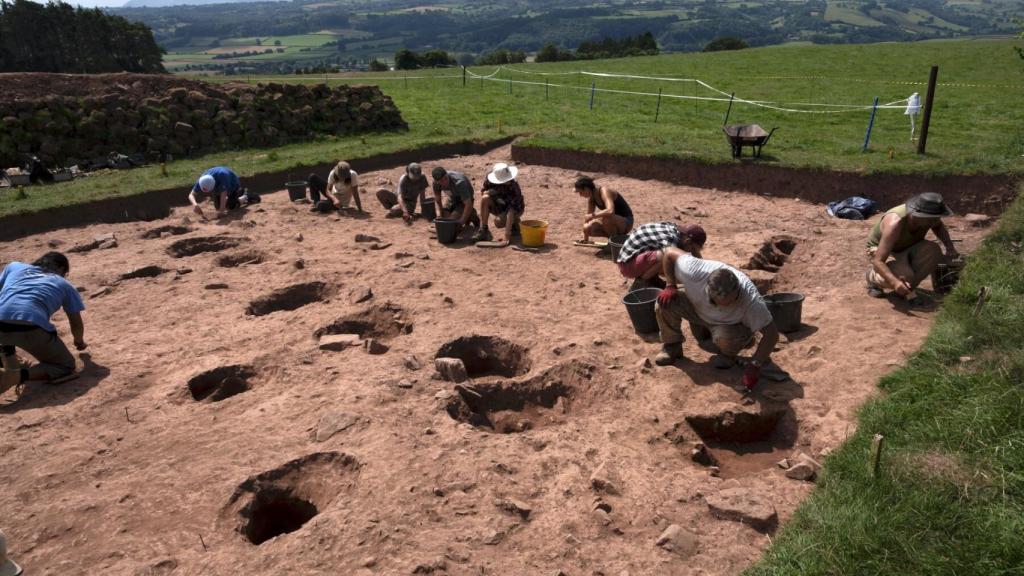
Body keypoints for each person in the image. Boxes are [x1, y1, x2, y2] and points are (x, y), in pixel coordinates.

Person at [653, 249, 779, 391]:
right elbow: (669, 254)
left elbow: (772, 334)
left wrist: (755, 364)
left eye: (727, 304)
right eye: (715, 301)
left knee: (725, 340)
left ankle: (729, 354)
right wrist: (670, 285)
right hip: (698, 311)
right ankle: (672, 345)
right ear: (708, 288)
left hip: (729, 326)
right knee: (664, 303)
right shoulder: (695, 270)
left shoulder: (751, 300)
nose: (720, 306)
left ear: (737, 293)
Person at [0, 253, 86, 396]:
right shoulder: (64, 284)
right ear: (61, 268)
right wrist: (79, 342)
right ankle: (15, 376)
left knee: (6, 330)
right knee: (65, 365)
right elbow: (76, 323)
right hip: (30, 326)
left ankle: (6, 356)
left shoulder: (14, 266)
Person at [866, 192, 958, 304]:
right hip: (883, 250)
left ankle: (906, 289)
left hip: (909, 246)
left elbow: (938, 227)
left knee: (933, 251)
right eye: (930, 220)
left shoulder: (930, 218)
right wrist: (895, 282)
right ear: (917, 214)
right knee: (905, 275)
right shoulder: (895, 223)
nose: (934, 222)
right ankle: (873, 278)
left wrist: (950, 248)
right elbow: (878, 260)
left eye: (935, 218)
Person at [617, 222, 706, 284]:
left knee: (669, 257)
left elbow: (695, 254)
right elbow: (676, 264)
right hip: (627, 266)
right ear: (687, 241)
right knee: (666, 257)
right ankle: (643, 280)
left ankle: (651, 276)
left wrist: (704, 270)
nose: (692, 251)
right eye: (693, 248)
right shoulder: (670, 240)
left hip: (633, 257)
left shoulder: (677, 230)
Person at [472, 162, 525, 245]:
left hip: (515, 209)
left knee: (499, 222)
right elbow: (483, 192)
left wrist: (506, 235)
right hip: (499, 204)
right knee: (485, 198)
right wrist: (490, 192)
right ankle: (484, 230)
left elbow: (511, 210)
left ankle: (515, 223)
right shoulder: (490, 179)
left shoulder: (513, 187)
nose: (508, 181)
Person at [574, 176, 633, 242]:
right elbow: (588, 218)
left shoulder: (604, 191)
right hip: (612, 223)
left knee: (606, 217)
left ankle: (613, 242)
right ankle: (614, 239)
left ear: (586, 189)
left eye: (580, 192)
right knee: (587, 228)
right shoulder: (592, 197)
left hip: (626, 222)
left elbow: (610, 211)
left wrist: (593, 215)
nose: (580, 195)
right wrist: (585, 238)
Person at [189, 166, 256, 220]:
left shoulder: (223, 177)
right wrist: (195, 205)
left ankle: (246, 195)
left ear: (214, 185)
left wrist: (221, 211)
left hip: (233, 183)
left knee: (230, 207)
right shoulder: (202, 181)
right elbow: (191, 195)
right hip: (219, 184)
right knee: (217, 207)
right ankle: (237, 198)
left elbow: (223, 194)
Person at [432, 166, 480, 231]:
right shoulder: (435, 183)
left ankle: (472, 215)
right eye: (441, 181)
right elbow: (438, 200)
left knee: (451, 224)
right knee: (444, 220)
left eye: (445, 179)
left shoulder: (459, 182)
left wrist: (461, 222)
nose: (444, 182)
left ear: (447, 174)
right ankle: (461, 215)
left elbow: (468, 204)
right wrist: (440, 215)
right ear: (436, 181)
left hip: (465, 200)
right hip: (452, 198)